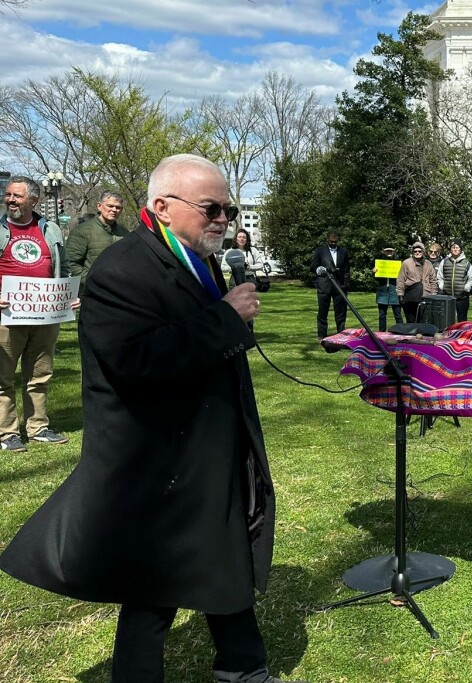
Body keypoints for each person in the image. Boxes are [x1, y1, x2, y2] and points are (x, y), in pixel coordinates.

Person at [0, 154, 303, 683]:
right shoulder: (122, 270)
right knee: (152, 585)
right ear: (162, 207)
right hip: (154, 452)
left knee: (224, 554)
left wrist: (225, 322)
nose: (224, 219)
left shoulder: (198, 260)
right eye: (212, 207)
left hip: (209, 440)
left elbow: (207, 343)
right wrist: (225, 317)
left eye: (228, 209)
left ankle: (242, 666)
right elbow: (136, 362)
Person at [0, 176, 73, 451]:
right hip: (6, 317)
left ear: (34, 199)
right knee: (2, 377)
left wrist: (67, 296)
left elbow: (62, 267)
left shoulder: (50, 228)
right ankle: (6, 433)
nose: (10, 200)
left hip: (44, 316)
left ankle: (38, 427)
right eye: (8, 195)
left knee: (40, 375)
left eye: (17, 196)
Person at [66, 191, 130, 288]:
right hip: (91, 292)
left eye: (118, 207)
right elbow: (71, 264)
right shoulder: (82, 231)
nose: (114, 210)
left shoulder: (125, 233)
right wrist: (93, 281)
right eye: (110, 206)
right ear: (99, 206)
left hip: (118, 291)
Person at [311, 231, 348, 339]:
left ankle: (341, 334)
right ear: (327, 240)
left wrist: (346, 284)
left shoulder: (343, 252)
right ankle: (322, 335)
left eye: (335, 242)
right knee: (323, 311)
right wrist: (319, 269)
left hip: (339, 286)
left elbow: (346, 270)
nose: (333, 244)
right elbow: (313, 266)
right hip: (324, 285)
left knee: (340, 312)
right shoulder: (320, 251)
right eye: (331, 242)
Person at [400, 241, 438, 323]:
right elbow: (401, 279)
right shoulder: (406, 263)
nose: (417, 253)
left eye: (419, 251)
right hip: (410, 296)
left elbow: (433, 280)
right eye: (415, 251)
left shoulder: (428, 264)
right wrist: (400, 294)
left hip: (425, 295)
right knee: (411, 321)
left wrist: (433, 294)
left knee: (423, 321)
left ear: (423, 252)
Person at [439, 240, 472, 322]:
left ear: (461, 250)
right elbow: (440, 276)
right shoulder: (444, 261)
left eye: (457, 247)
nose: (455, 249)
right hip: (447, 297)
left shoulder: (466, 263)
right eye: (453, 247)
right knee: (447, 320)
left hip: (462, 297)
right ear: (450, 250)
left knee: (462, 321)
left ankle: (461, 335)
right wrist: (441, 285)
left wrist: (467, 287)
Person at [373, 246, 402, 331]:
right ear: (384, 252)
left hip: (394, 290)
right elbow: (376, 278)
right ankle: (381, 333)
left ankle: (401, 331)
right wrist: (374, 272)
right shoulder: (379, 263)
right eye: (387, 251)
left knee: (397, 314)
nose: (389, 253)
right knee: (382, 315)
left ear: (394, 252)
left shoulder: (398, 263)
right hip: (382, 291)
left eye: (391, 251)